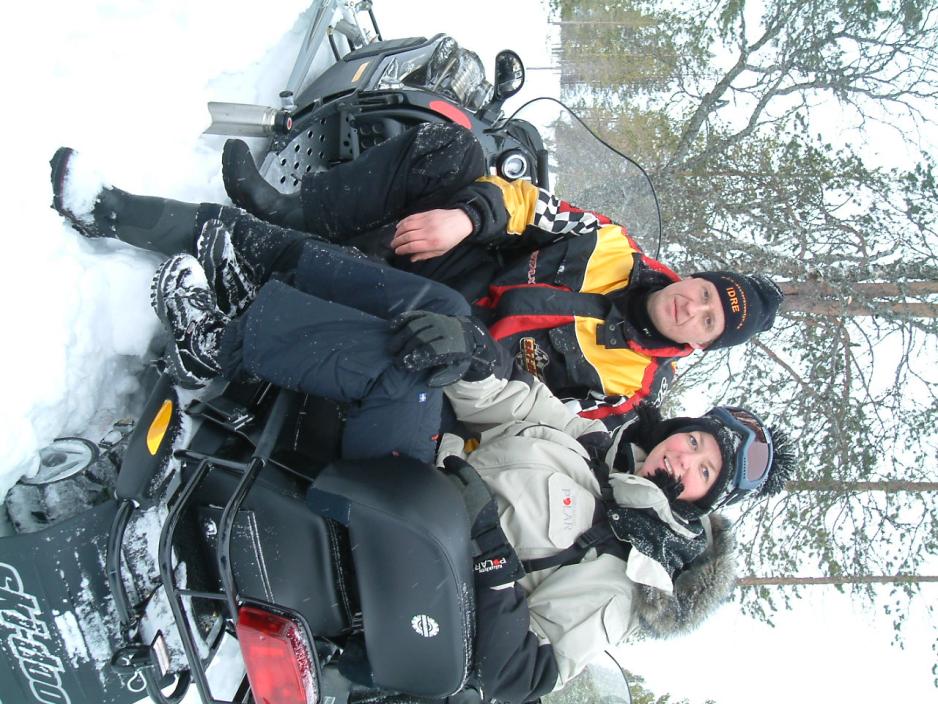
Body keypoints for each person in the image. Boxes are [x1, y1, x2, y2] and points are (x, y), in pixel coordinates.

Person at [52, 143, 794, 700]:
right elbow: (511, 395)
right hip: (432, 390)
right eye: (695, 443)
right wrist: (463, 351)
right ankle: (223, 239)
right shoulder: (599, 442)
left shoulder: (623, 578)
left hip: (408, 548)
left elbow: (521, 674)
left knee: (414, 356)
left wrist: (486, 541)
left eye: (702, 473)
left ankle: (223, 342)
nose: (683, 460)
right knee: (432, 314)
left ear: (702, 503)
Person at [50, 127, 783, 427]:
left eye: (710, 321)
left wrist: (474, 362)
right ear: (697, 276)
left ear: (702, 344)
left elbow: (541, 425)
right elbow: (528, 202)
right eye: (706, 293)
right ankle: (293, 208)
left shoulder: (627, 391)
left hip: (448, 361)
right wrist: (465, 218)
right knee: (455, 151)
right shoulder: (615, 246)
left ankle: (127, 225)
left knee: (292, 263)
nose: (693, 308)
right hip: (446, 267)